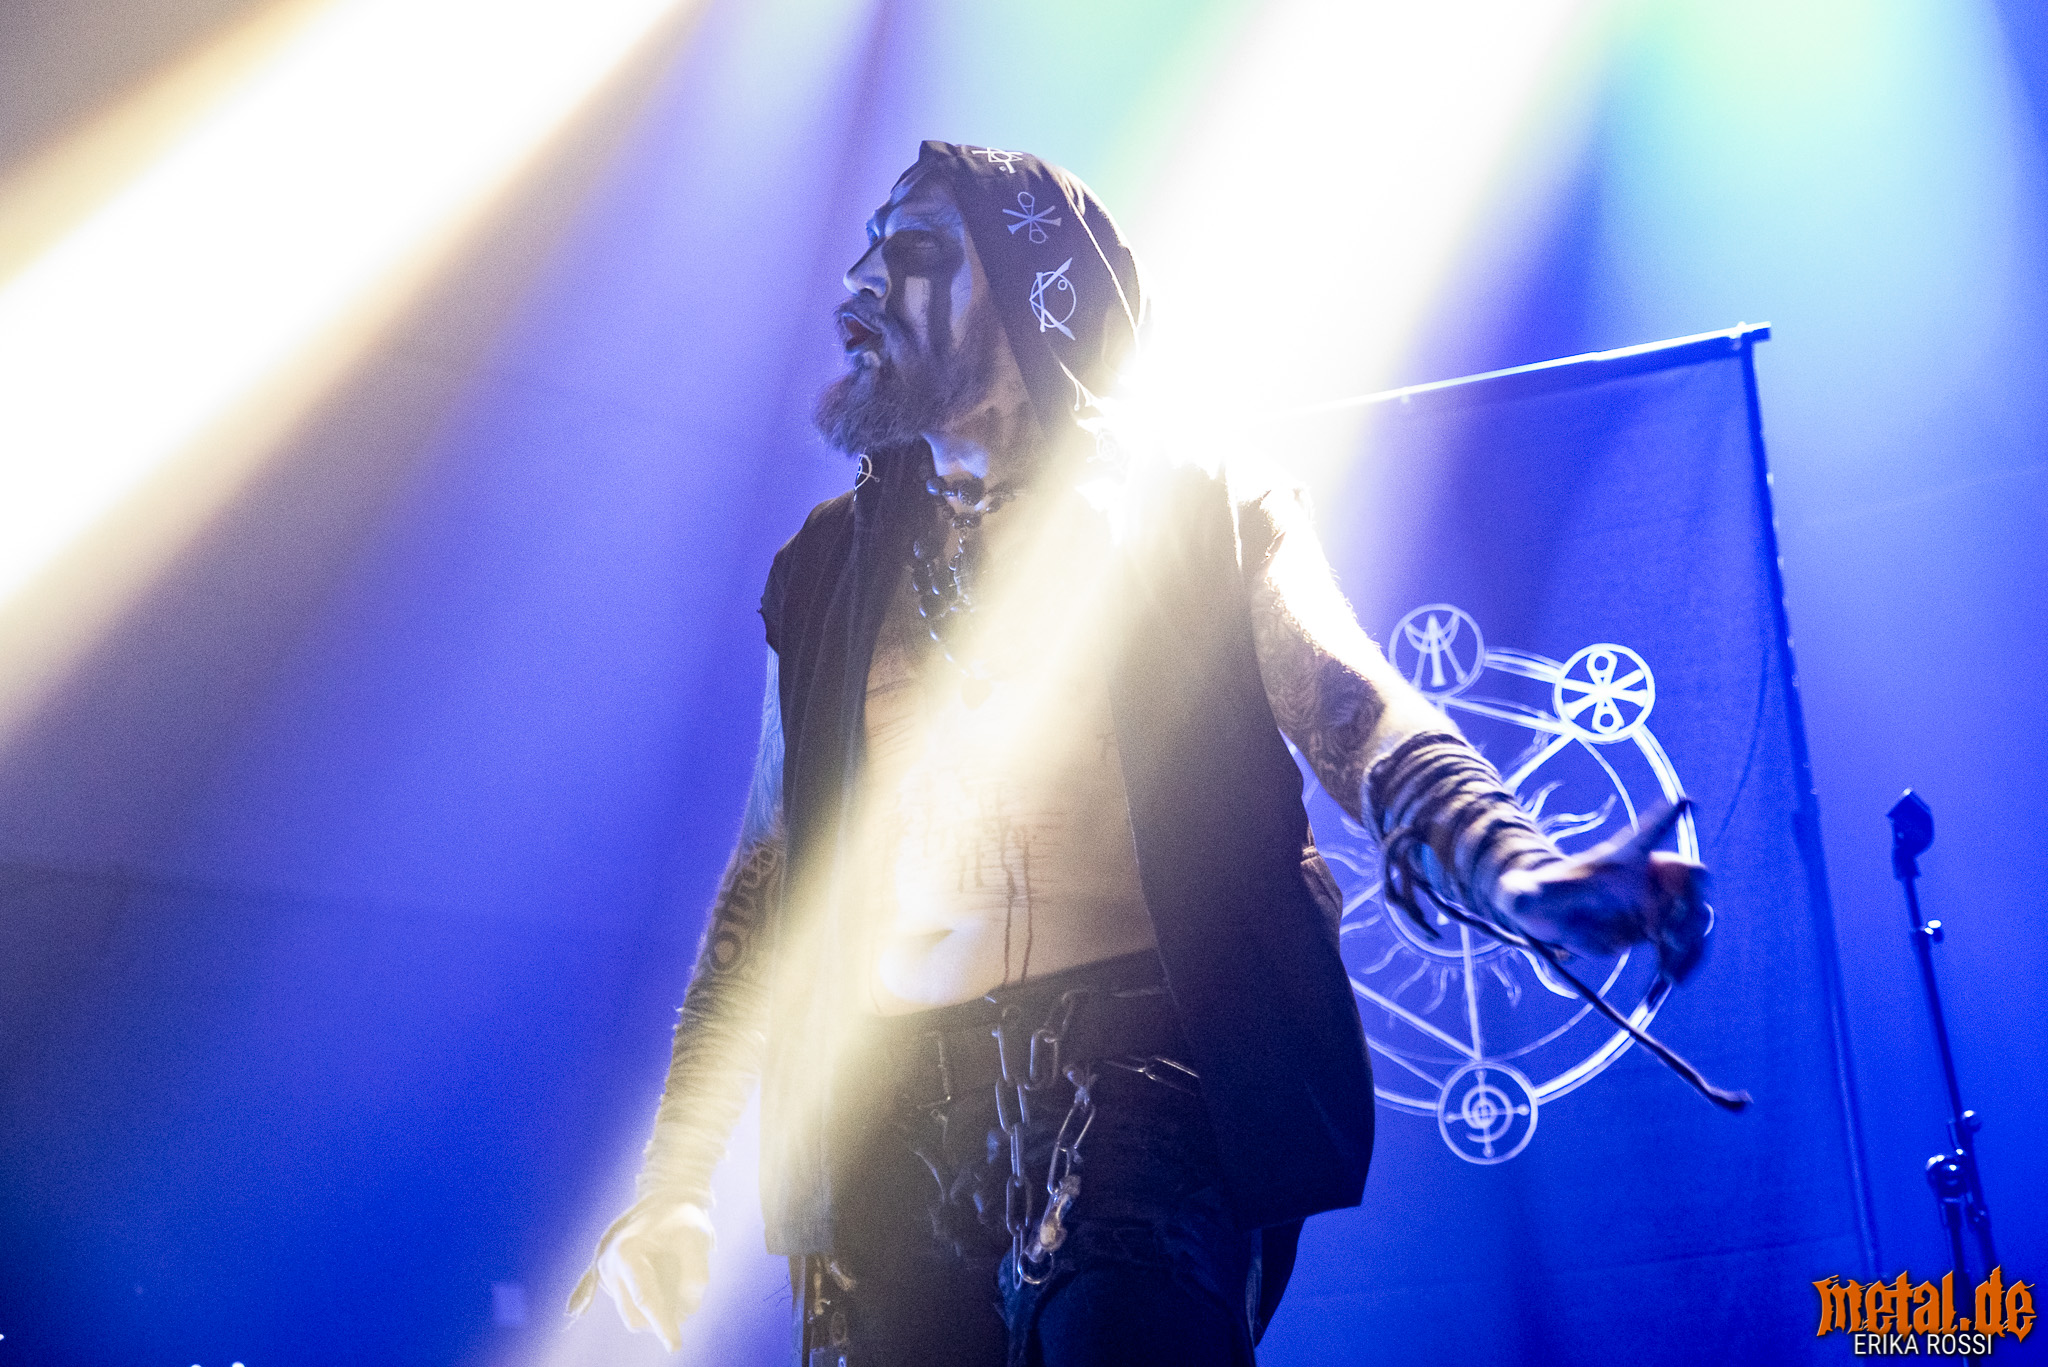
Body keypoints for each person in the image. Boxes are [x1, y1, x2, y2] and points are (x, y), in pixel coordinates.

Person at [567, 141, 1709, 1366]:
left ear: (1032, 292)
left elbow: (1350, 708)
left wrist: (1510, 861)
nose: (860, 284)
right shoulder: (828, 566)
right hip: (887, 1114)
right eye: (867, 252)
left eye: (914, 252)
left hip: (1133, 1082)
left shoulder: (1195, 508)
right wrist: (673, 1179)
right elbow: (768, 872)